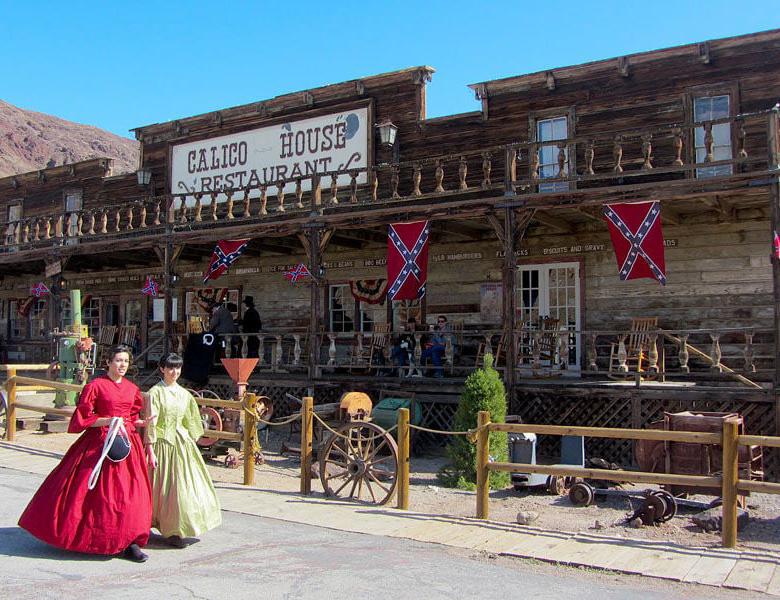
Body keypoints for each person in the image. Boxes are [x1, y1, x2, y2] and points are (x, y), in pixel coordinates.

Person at [18, 344, 154, 563]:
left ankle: (131, 540)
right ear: (108, 362)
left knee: (131, 495)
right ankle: (99, 538)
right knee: (98, 495)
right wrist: (107, 420)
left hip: (127, 443)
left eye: (126, 361)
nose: (122, 365)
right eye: (118, 360)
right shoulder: (96, 386)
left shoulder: (131, 388)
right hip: (100, 443)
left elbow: (131, 416)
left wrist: (141, 422)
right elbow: (82, 418)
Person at [146, 353, 222, 547]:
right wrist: (150, 448)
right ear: (162, 369)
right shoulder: (155, 393)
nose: (174, 372)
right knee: (160, 487)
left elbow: (192, 420)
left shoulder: (184, 394)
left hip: (181, 444)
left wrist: (193, 439)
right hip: (162, 443)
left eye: (177, 368)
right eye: (170, 368)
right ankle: (149, 523)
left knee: (182, 487)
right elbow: (151, 423)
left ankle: (177, 529)